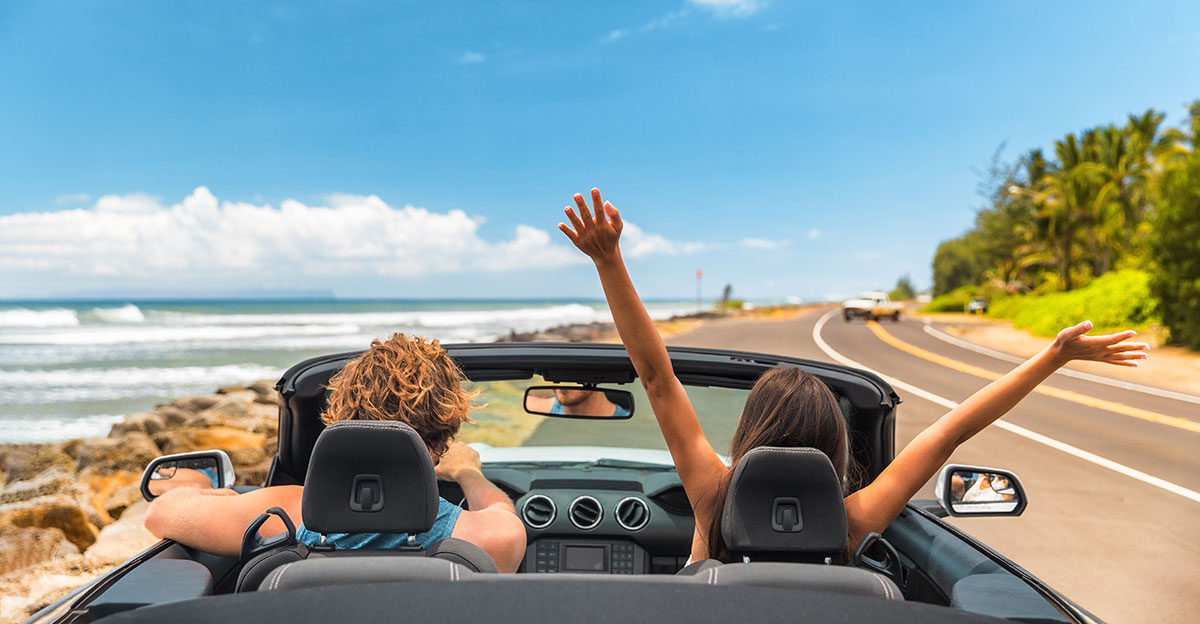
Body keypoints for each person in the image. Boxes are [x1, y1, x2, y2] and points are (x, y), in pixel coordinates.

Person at [559, 188, 1150, 563]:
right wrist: (1053, 357)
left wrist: (608, 262)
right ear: (836, 448)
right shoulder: (852, 521)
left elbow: (657, 377)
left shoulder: (713, 497)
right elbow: (949, 432)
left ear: (747, 434)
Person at [144, 334, 527, 572]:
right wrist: (468, 474)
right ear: (444, 438)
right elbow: (500, 513)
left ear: (343, 418)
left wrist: (220, 494)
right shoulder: (492, 538)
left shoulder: (283, 514)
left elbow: (160, 513)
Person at [526, 387, 630, 417]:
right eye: (555, 375)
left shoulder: (627, 424)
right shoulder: (531, 407)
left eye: (576, 374)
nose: (563, 380)